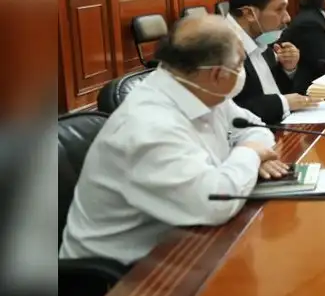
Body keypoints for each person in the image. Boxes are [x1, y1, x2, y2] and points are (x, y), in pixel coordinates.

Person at [59, 16, 286, 266]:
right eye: (240, 63)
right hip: (118, 276)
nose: (243, 71)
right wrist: (251, 155)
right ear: (217, 73)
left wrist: (252, 156)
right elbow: (216, 203)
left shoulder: (203, 90)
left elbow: (256, 128)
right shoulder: (149, 126)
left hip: (181, 242)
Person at [226, 0, 313, 124]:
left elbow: (275, 90)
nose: (287, 18)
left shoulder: (261, 36)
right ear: (249, 13)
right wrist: (283, 103)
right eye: (279, 10)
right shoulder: (220, 48)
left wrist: (288, 69)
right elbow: (228, 112)